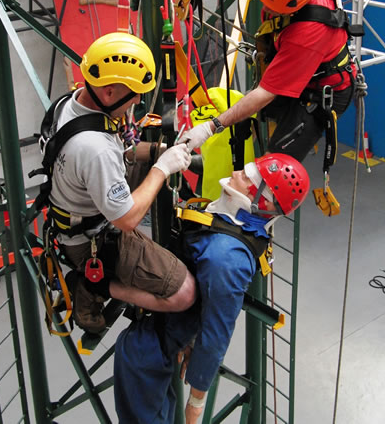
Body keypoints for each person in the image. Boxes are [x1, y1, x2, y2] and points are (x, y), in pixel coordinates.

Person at [112, 153, 310, 424]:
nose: (239, 172)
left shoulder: (227, 258)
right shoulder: (229, 227)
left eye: (250, 176)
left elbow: (217, 333)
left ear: (262, 200)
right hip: (162, 329)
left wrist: (195, 406)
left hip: (155, 341)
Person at [41, 32, 196, 334]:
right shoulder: (94, 149)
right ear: (109, 93)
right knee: (184, 293)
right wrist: (162, 168)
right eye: (134, 93)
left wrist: (158, 153)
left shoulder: (69, 104)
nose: (138, 101)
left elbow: (114, 155)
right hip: (90, 242)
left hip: (74, 213)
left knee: (150, 162)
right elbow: (126, 220)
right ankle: (92, 288)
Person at [182, 0, 357, 161]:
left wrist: (212, 126)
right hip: (297, 68)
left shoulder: (309, 32)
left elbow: (265, 93)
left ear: (297, 5)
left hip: (321, 93)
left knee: (272, 170)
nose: (267, 9)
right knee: (255, 118)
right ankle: (231, 163)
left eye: (276, 9)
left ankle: (258, 181)